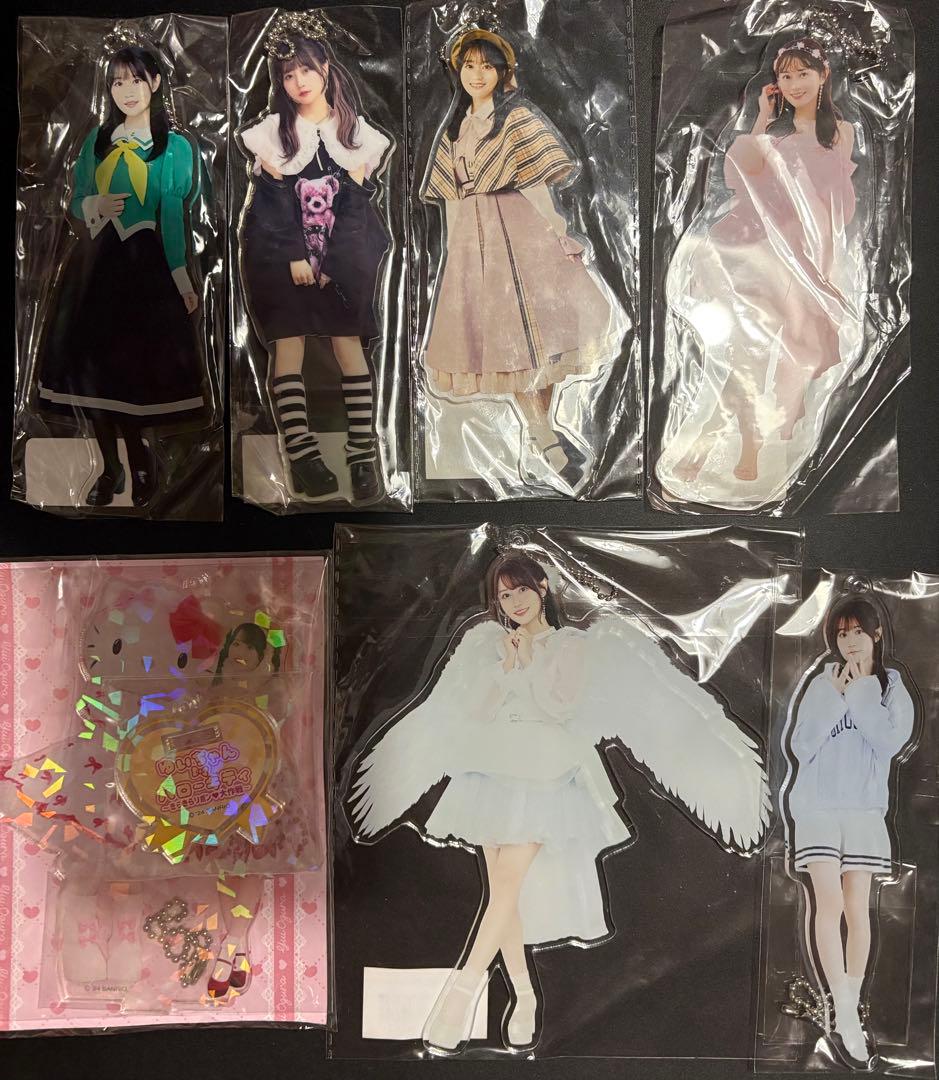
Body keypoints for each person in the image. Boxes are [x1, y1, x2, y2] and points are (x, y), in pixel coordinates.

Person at [350, 552, 770, 1055]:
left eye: (521, 590)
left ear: (543, 588)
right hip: (489, 768)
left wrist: (529, 659)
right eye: (504, 595)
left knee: (506, 888)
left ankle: (460, 996)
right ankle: (524, 996)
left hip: (547, 771)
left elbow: (561, 706)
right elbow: (474, 712)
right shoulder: (490, 643)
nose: (514, 602)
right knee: (501, 894)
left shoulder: (572, 644)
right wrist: (506, 666)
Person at [420, 29, 615, 488]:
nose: (477, 75)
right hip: (476, 245)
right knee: (507, 345)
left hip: (522, 233)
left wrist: (558, 228)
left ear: (502, 72)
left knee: (540, 340)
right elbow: (451, 199)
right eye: (469, 66)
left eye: (486, 66)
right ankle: (545, 438)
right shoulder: (455, 131)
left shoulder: (516, 118)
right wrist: (456, 257)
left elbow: (534, 180)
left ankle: (544, 435)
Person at [662, 37, 859, 488]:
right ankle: (734, 440)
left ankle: (761, 444)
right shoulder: (774, 134)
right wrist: (762, 119)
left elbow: (837, 208)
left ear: (823, 75)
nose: (794, 84)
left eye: (803, 73)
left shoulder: (841, 133)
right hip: (756, 250)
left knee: (789, 355)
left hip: (805, 258)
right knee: (743, 349)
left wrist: (823, 266)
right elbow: (739, 177)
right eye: (786, 76)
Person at [36, 44, 204, 508]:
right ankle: (110, 468)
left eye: (136, 80)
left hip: (144, 268)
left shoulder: (173, 147)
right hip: (96, 265)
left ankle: (140, 460)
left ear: (155, 83)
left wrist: (181, 278)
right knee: (93, 368)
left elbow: (173, 216)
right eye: (117, 82)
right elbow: (77, 200)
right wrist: (93, 204)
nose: (126, 91)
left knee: (131, 370)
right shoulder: (98, 140)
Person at [238, 14, 390, 503]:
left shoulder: (357, 135)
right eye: (288, 74)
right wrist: (295, 257)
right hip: (279, 258)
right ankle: (302, 456)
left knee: (349, 344)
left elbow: (355, 208)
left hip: (343, 257)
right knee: (288, 345)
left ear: (326, 67)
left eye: (306, 69)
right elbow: (270, 208)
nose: (299, 81)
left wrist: (334, 264)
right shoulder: (271, 135)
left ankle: (362, 455)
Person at [782, 596, 915, 1067]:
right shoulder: (823, 683)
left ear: (876, 634)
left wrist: (860, 692)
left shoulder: (892, 688)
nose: (850, 641)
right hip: (817, 808)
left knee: (857, 907)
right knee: (829, 904)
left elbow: (889, 741)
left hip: (862, 811)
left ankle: (846, 1012)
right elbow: (800, 744)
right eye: (841, 633)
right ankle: (843, 1012)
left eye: (858, 631)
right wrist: (835, 696)